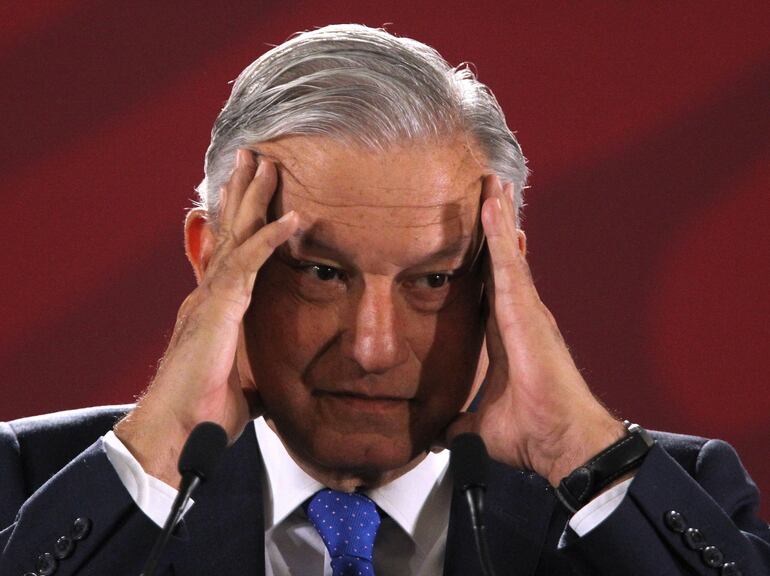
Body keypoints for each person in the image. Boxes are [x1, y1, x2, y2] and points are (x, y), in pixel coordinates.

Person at [1, 24, 768, 576]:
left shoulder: (669, 498)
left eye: (432, 281)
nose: (374, 348)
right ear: (214, 261)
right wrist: (157, 456)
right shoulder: (27, 485)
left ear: (502, 280)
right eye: (322, 274)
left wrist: (579, 452)